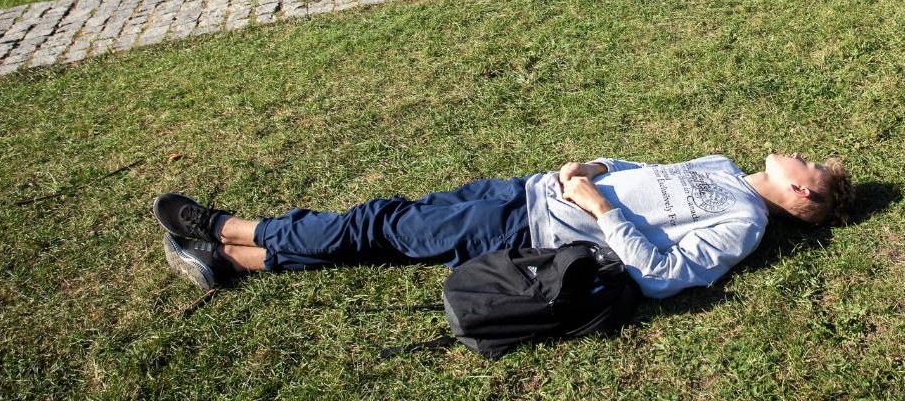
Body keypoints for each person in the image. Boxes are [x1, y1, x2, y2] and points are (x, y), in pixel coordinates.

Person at [155, 151, 853, 297]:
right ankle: (229, 263)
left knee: (381, 225)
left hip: (528, 229)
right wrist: (601, 164)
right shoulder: (726, 168)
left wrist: (599, 208)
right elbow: (650, 173)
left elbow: (667, 275)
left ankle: (227, 227)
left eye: (811, 164)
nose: (800, 151)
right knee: (395, 233)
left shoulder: (743, 223)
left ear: (800, 192)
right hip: (526, 190)